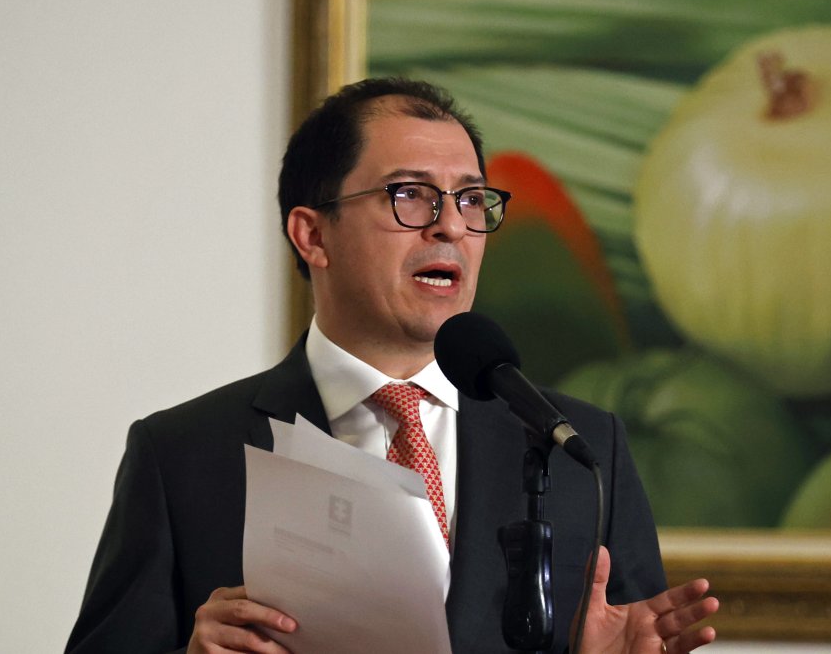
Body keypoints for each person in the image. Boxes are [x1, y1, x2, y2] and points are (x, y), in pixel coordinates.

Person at [66, 77, 718, 654]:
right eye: (411, 194)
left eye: (470, 200)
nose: (451, 227)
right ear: (313, 234)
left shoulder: (579, 446)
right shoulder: (180, 454)